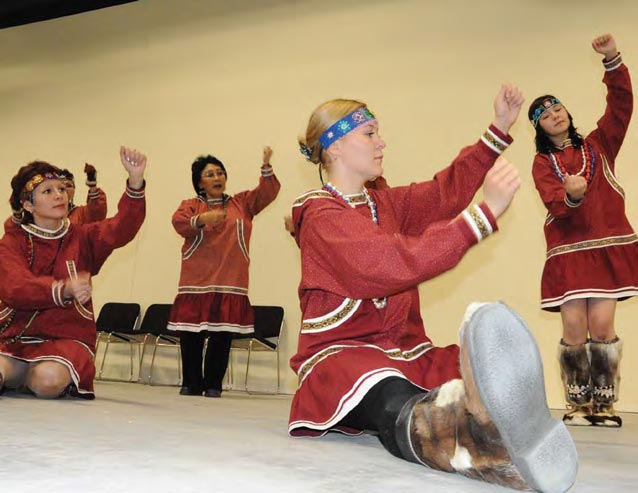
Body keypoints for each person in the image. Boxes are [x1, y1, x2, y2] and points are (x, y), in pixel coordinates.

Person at [288, 90, 578, 493]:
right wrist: (483, 214)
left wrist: (498, 129)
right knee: (388, 392)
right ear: (335, 145)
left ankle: (496, 422)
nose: (381, 142)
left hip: (406, 351)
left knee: (455, 366)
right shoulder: (320, 215)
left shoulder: (383, 203)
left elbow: (446, 191)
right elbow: (388, 263)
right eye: (370, 133)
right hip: (342, 354)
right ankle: (478, 447)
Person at [529, 33, 634, 428]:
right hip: (570, 250)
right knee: (573, 326)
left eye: (558, 107)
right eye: (545, 112)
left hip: (606, 247)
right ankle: (578, 405)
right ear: (538, 126)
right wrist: (571, 196)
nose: (555, 113)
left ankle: (604, 406)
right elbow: (554, 202)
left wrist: (613, 61)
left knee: (603, 325)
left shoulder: (599, 144)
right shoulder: (543, 163)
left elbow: (621, 106)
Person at [0, 146, 147, 399]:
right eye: (48, 191)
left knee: (46, 381)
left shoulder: (83, 236)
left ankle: (37, 377)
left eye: (62, 189)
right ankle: (19, 375)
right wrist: (63, 289)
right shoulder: (13, 241)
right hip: (17, 336)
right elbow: (14, 287)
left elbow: (123, 227)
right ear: (27, 205)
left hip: (68, 336)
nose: (59, 195)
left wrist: (135, 180)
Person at [167, 148, 280, 397]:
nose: (217, 177)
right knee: (191, 335)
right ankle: (192, 384)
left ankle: (214, 386)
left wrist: (266, 166)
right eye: (209, 174)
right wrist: (203, 219)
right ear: (199, 182)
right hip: (197, 279)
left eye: (220, 173)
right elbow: (178, 223)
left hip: (231, 279)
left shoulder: (241, 203)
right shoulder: (191, 205)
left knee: (222, 335)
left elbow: (267, 193)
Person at [4, 162, 107, 232]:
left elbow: (97, 212)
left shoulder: (81, 214)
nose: (60, 193)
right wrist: (17, 211)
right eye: (49, 190)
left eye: (67, 186)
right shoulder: (38, 214)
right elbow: (14, 233)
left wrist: (92, 186)